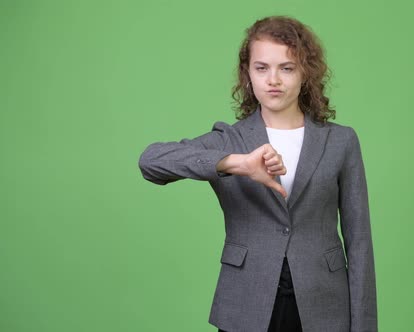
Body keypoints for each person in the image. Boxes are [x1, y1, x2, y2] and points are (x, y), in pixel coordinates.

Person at [138, 16, 377, 332]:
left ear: (305, 73)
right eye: (261, 68)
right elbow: (151, 162)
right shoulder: (229, 140)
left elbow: (359, 243)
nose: (273, 79)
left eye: (287, 68)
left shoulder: (341, 141)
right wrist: (235, 164)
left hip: (324, 305)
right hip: (245, 302)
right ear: (247, 75)